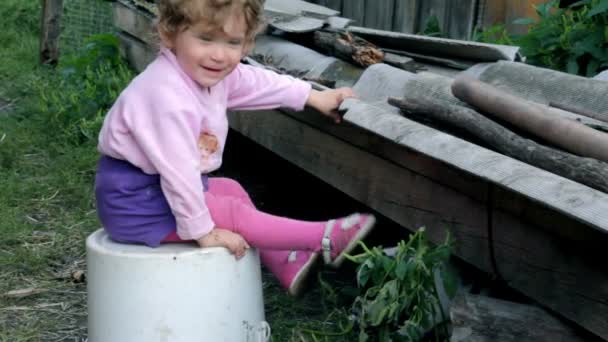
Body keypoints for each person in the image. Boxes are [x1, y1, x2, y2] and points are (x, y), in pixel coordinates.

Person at [94, 0, 376, 296]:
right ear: (169, 34)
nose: (219, 55)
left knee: (230, 189)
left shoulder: (206, 74)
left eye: (233, 42)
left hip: (153, 191)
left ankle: (285, 261)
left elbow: (257, 82)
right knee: (229, 212)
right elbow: (179, 174)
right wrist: (203, 232)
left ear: (247, 43)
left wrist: (312, 96)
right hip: (135, 204)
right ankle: (324, 238)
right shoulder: (166, 97)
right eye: (205, 38)